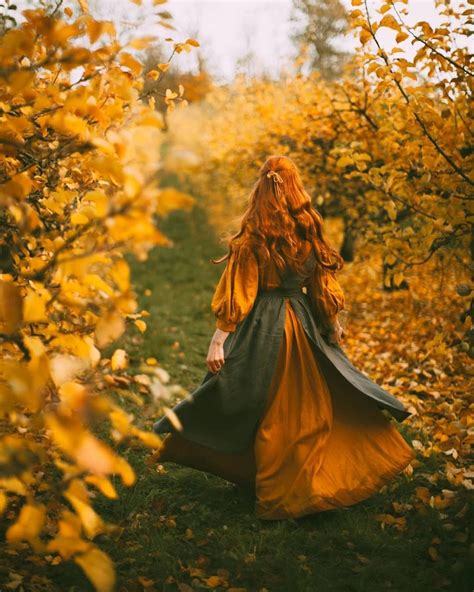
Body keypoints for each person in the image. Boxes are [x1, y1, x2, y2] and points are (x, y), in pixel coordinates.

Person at [152, 155, 415, 520]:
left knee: (259, 403)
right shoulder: (309, 228)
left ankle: (280, 493)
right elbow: (321, 284)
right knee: (310, 409)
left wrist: (219, 340)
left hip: (263, 328)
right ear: (296, 187)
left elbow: (240, 293)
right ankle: (300, 487)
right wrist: (332, 322)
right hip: (303, 325)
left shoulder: (253, 234)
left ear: (260, 186)